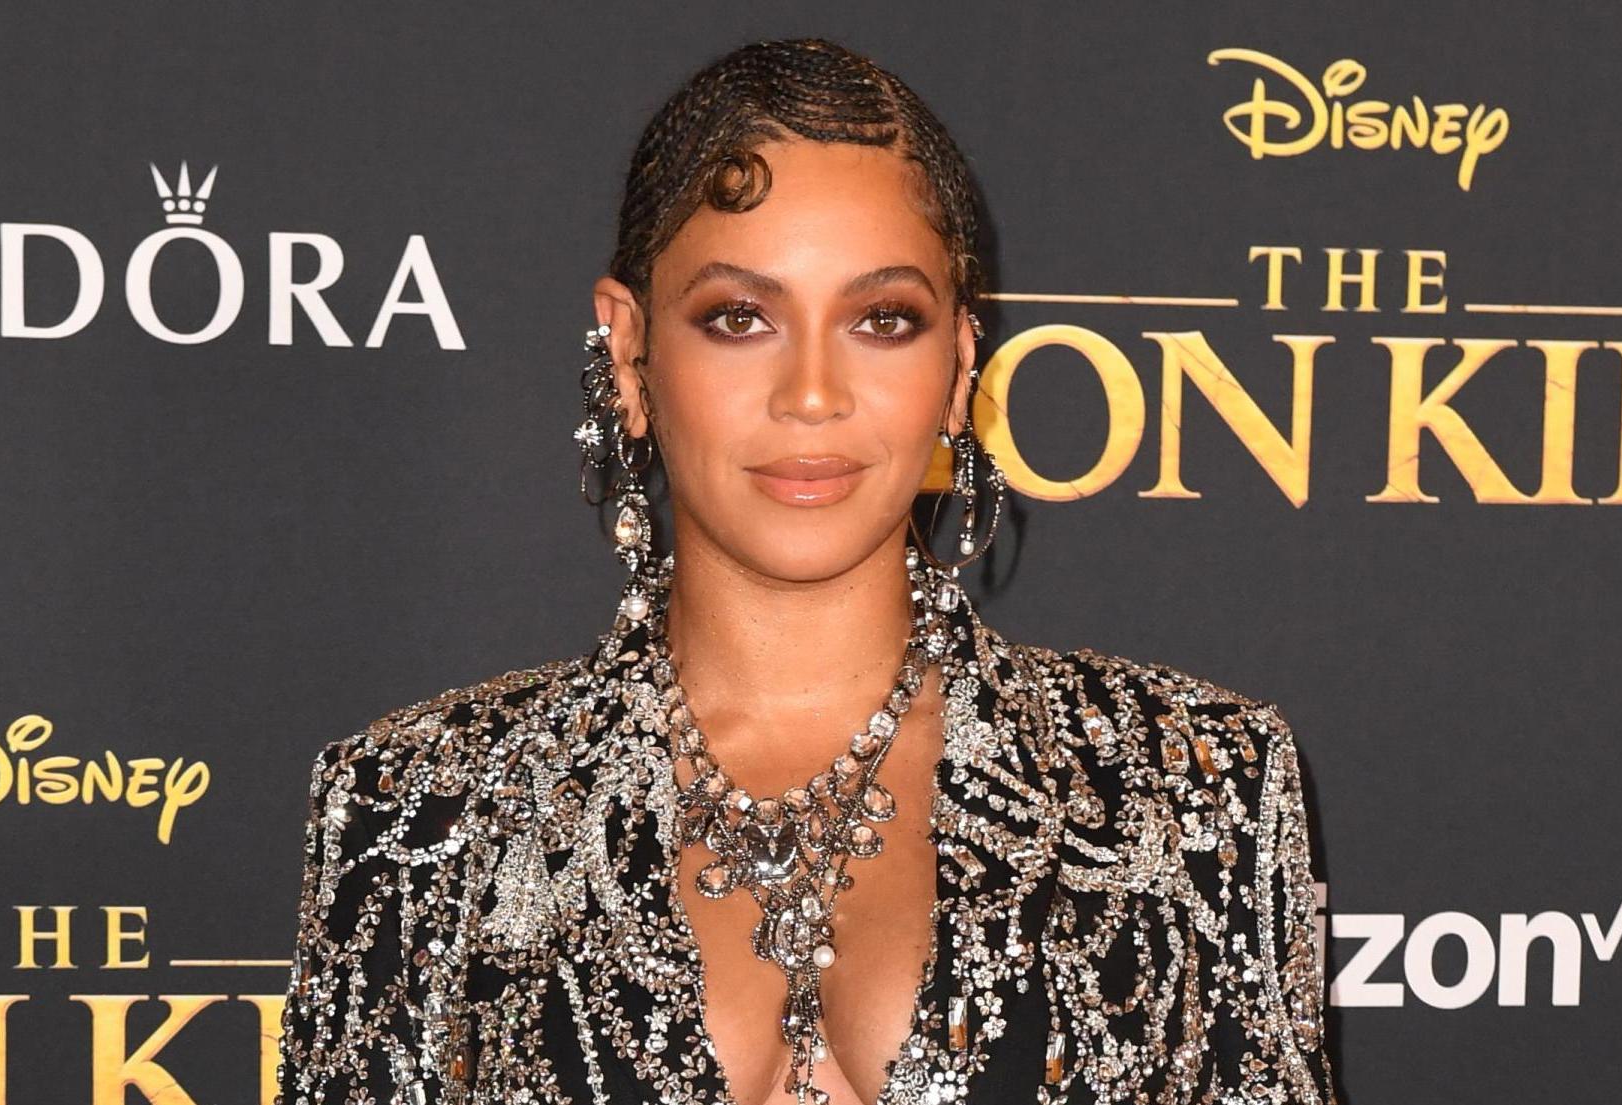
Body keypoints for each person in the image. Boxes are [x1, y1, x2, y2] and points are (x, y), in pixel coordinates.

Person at [275, 36, 1336, 1105]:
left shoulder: (1190, 790)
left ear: (959, 367)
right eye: (740, 318)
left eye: (884, 320)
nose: (813, 394)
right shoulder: (418, 810)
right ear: (629, 351)